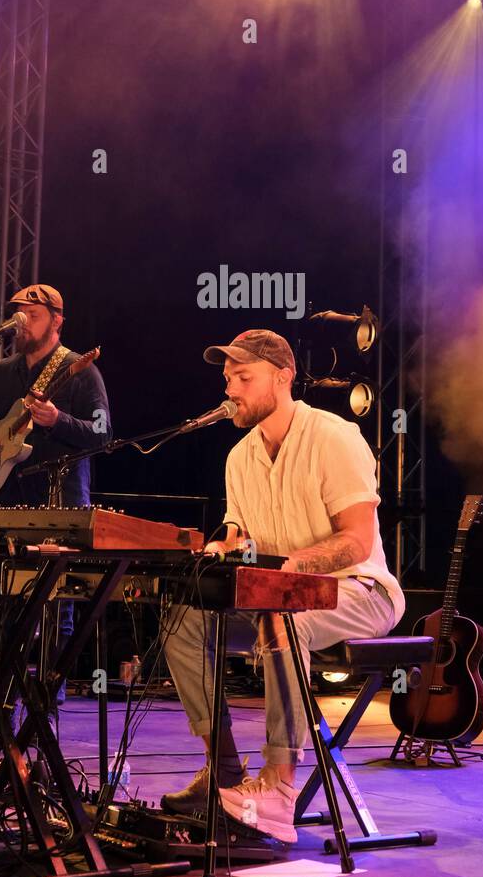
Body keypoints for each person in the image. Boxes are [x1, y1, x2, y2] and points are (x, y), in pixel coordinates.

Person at [161, 329, 404, 843]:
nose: (231, 389)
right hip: (276, 594)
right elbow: (238, 536)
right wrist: (217, 551)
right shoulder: (239, 457)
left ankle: (279, 787)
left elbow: (358, 540)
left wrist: (293, 566)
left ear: (283, 377)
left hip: (360, 590)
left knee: (280, 614)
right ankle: (223, 773)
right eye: (228, 379)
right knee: (181, 621)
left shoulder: (334, 436)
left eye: (243, 378)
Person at [0, 283, 111, 723]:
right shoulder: (3, 371)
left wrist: (57, 420)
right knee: (4, 608)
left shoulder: (80, 370)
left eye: (33, 315)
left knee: (55, 611)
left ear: (57, 320)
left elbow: (102, 434)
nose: (22, 322)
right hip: (7, 499)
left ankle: (44, 713)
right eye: (18, 315)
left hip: (59, 500)